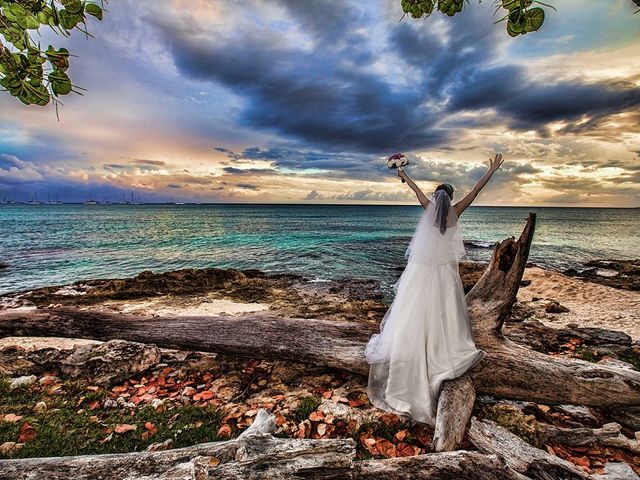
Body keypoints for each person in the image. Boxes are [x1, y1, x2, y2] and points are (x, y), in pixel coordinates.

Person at [364, 153, 504, 426]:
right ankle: (442, 353)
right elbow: (476, 189)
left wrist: (403, 175)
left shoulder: (428, 207)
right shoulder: (456, 212)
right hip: (444, 273)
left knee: (412, 313)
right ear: (450, 198)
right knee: (445, 315)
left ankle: (411, 360)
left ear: (436, 197)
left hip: (421, 272)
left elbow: (416, 190)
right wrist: (492, 171)